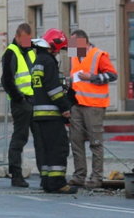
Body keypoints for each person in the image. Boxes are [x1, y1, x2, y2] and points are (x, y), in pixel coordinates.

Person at [68, 29, 118, 189]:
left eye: (74, 43)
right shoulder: (74, 56)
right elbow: (72, 79)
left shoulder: (98, 55)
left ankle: (96, 177)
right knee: (76, 141)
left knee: (95, 143)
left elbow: (112, 75)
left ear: (84, 42)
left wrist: (92, 77)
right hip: (77, 105)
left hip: (94, 106)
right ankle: (79, 176)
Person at [31, 28, 77, 194]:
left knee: (46, 148)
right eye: (59, 49)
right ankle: (57, 182)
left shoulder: (38, 61)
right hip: (51, 114)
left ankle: (47, 181)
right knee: (59, 148)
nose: (59, 53)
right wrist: (65, 107)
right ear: (54, 46)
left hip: (39, 114)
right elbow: (53, 89)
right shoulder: (48, 62)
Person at [0, 23, 37, 188]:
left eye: (29, 39)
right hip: (21, 102)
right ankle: (16, 175)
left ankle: (47, 174)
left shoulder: (29, 51)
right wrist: (18, 98)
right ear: (17, 37)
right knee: (19, 139)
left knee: (39, 138)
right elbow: (7, 80)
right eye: (24, 39)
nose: (27, 42)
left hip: (32, 100)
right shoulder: (11, 53)